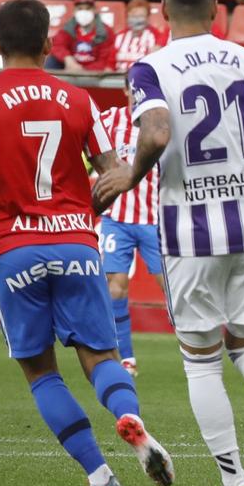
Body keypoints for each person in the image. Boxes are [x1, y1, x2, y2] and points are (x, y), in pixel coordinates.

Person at [94, 0, 244, 486]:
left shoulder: (150, 66)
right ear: (217, 9)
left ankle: (235, 480)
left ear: (164, 11)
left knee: (201, 362)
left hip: (191, 232)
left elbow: (158, 132)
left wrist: (131, 174)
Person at [0, 0, 176, 486]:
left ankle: (101, 477)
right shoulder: (77, 99)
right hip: (76, 242)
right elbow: (112, 170)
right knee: (100, 356)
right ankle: (129, 415)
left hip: (13, 246)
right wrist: (88, 200)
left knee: (41, 371)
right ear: (50, 45)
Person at [94, 98, 164, 374]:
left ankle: (194, 351)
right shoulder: (110, 119)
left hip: (155, 219)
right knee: (115, 286)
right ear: (125, 89)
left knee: (173, 289)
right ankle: (126, 358)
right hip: (116, 220)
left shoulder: (163, 122)